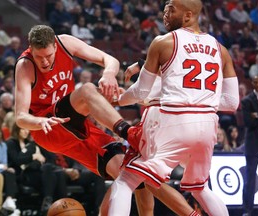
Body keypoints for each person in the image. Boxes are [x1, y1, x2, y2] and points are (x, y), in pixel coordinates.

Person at [14, 24, 197, 216]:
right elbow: (20, 117)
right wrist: (38, 122)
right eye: (39, 57)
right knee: (86, 90)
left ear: (55, 46)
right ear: (30, 49)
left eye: (48, 56)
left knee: (134, 172)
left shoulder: (65, 43)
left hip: (78, 125)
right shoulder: (25, 66)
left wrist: (109, 75)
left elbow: (109, 59)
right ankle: (127, 132)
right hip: (48, 126)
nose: (44, 62)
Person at [108, 1, 239, 216]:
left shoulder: (163, 42)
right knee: (200, 188)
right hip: (207, 127)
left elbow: (141, 93)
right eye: (165, 9)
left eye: (171, 9)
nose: (165, 14)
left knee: (126, 181)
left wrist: (118, 100)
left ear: (188, 15)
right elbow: (232, 103)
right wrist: (202, 100)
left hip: (174, 121)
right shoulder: (221, 49)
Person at [6, 123, 66, 215]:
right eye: (23, 129)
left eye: (27, 129)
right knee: (50, 171)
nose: (26, 131)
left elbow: (48, 159)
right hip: (21, 175)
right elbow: (17, 160)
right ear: (16, 130)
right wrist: (34, 156)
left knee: (58, 173)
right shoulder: (11, 143)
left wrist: (38, 158)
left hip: (35, 173)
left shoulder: (30, 143)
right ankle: (52, 204)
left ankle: (60, 204)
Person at [241, 75, 258, 216]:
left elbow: (255, 119)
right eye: (256, 82)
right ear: (252, 84)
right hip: (253, 143)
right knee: (250, 179)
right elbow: (249, 122)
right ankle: (247, 210)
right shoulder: (246, 101)